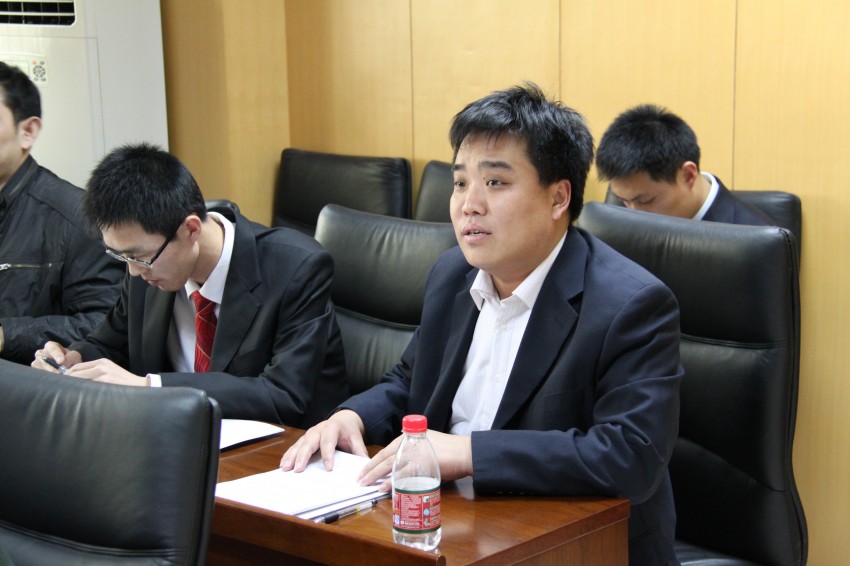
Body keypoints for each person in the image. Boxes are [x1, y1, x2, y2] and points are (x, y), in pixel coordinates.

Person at [281, 83, 683, 564]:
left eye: (494, 182)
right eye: (460, 183)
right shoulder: (452, 274)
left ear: (558, 198)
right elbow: (410, 380)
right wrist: (353, 417)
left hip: (576, 548)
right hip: (452, 529)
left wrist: (468, 454)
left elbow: (629, 455)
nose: (469, 204)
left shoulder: (631, 305)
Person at [32, 143, 349, 426]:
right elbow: (110, 344)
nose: (133, 271)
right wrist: (71, 360)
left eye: (138, 257)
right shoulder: (147, 265)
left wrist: (151, 387)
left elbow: (284, 395)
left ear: (191, 229)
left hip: (286, 452)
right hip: (178, 440)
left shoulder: (297, 268)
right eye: (121, 256)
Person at [0, 61, 123, 364]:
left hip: (31, 387)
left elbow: (106, 326)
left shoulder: (77, 218)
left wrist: (6, 335)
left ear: (27, 131)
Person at [596, 103, 772, 225]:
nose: (633, 216)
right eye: (622, 201)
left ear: (688, 175)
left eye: (646, 201)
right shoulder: (623, 213)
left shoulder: (756, 240)